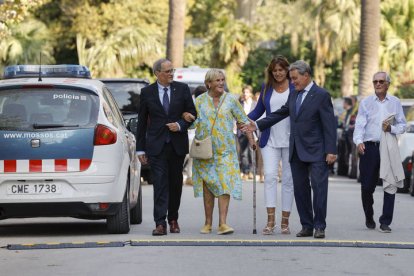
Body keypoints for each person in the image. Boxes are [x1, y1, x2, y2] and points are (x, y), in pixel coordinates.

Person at [242, 60, 337, 239]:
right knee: (300, 189)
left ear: (306, 75)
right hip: (296, 149)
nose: (292, 82)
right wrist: (257, 125)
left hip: (317, 150)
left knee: (318, 188)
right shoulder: (294, 95)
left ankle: (319, 225)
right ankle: (307, 225)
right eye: (291, 79)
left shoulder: (321, 94)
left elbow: (329, 125)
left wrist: (331, 150)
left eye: (295, 79)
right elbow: (280, 113)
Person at [187, 69, 255, 235]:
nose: (221, 83)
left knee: (225, 184)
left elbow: (243, 121)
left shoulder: (231, 100)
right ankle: (208, 223)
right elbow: (192, 124)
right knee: (208, 186)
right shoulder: (200, 101)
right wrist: (187, 118)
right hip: (205, 151)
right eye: (217, 80)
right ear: (208, 83)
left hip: (226, 151)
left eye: (222, 80)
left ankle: (223, 223)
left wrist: (252, 140)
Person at [136, 58, 196, 236]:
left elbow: (193, 114)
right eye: (168, 71)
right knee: (160, 184)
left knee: (175, 184)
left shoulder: (182, 89)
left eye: (172, 70)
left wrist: (180, 124)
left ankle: (173, 219)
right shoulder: (147, 92)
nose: (171, 73)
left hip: (177, 145)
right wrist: (140, 149)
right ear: (157, 73)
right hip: (156, 146)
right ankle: (160, 223)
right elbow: (141, 123)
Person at [353, 71, 406, 233]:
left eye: (381, 81)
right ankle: (369, 215)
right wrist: (359, 141)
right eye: (375, 81)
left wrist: (391, 128)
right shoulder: (366, 102)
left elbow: (403, 125)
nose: (377, 84)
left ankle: (385, 221)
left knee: (390, 184)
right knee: (367, 187)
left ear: (388, 84)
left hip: (388, 148)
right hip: (370, 148)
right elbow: (360, 124)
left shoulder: (395, 102)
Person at [248, 55, 295, 235]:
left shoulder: (294, 87)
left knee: (288, 181)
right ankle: (270, 221)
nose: (277, 73)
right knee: (269, 176)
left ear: (287, 70)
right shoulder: (266, 87)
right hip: (269, 139)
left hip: (291, 140)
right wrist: (243, 119)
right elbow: (259, 111)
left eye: (281, 70)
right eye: (274, 71)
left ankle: (285, 222)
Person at [183, 85, 208, 186]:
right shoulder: (199, 104)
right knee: (190, 158)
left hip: (190, 135)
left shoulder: (192, 103)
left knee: (189, 158)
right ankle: (189, 177)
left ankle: (189, 177)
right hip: (192, 136)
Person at [238, 85, 256, 180]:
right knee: (243, 152)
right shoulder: (240, 104)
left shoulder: (255, 104)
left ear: (250, 93)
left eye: (247, 92)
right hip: (242, 131)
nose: (245, 94)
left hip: (252, 132)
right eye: (244, 92)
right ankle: (245, 171)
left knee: (251, 151)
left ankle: (252, 171)